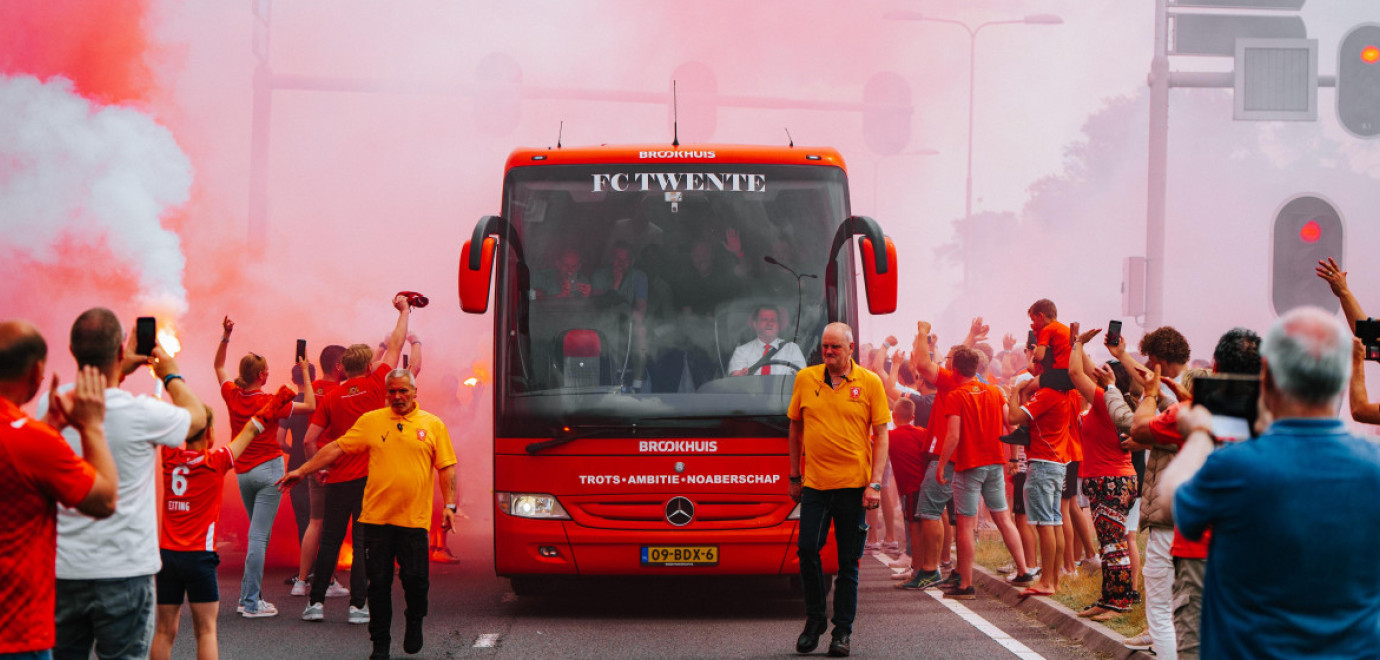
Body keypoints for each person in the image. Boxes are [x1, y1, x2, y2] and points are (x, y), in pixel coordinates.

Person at [1160, 307, 1380, 658]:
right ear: (1342, 379)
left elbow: (1173, 498)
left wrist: (1200, 434)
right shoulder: (1374, 468)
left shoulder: (1236, 468)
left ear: (1268, 377)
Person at [38, 309, 207, 659]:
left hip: (64, 569)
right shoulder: (144, 412)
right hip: (126, 570)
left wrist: (117, 372)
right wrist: (169, 372)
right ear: (119, 352)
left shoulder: (52, 403)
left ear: (72, 350)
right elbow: (197, 418)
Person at [278, 370, 458, 660]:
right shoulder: (371, 422)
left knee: (415, 582)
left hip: (413, 522)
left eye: (403, 391)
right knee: (378, 586)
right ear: (386, 394)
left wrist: (450, 505)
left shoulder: (433, 425)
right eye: (393, 392)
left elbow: (447, 467)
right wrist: (301, 469)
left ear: (415, 392)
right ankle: (380, 645)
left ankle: (414, 620)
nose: (398, 397)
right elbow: (336, 447)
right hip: (376, 521)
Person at [1129, 328, 1260, 660]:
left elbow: (1139, 429)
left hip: (1199, 545)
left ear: (1215, 364)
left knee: (1196, 642)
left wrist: (1150, 393)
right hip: (1252, 545)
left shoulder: (1191, 414)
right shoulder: (1273, 414)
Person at [0, 320, 117, 659]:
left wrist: (48, 431)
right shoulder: (32, 441)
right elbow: (104, 499)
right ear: (38, 371)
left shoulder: (34, 439)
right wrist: (91, 426)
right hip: (17, 633)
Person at [297, 297, 412, 624]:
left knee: (331, 539)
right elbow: (396, 343)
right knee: (363, 542)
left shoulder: (331, 397)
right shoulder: (379, 385)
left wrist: (317, 469)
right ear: (368, 366)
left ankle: (315, 604)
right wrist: (404, 312)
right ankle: (358, 607)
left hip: (337, 478)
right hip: (370, 479)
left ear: (344, 368)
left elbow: (309, 439)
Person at [151, 392, 291, 660]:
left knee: (164, 632)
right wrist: (274, 404)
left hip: (167, 557)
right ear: (211, 433)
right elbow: (251, 429)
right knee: (205, 631)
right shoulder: (216, 462)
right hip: (199, 560)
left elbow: (160, 423)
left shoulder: (169, 458)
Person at [787, 322, 890, 658]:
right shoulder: (806, 379)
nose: (828, 352)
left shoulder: (870, 382)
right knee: (806, 551)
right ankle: (815, 619)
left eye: (835, 347)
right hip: (815, 485)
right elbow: (795, 427)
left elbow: (882, 435)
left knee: (848, 563)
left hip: (853, 488)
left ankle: (842, 631)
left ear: (851, 348)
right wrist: (793, 475)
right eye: (824, 347)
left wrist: (875, 483)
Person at [213, 316, 315, 618]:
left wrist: (225, 337)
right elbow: (309, 404)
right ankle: (251, 602)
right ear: (260, 374)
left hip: (243, 473)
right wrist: (306, 374)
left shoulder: (232, 394)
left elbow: (218, 368)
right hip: (269, 471)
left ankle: (250, 596)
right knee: (259, 538)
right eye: (266, 370)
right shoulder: (272, 401)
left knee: (255, 536)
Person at [1115, 324, 1191, 660]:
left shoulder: (1176, 397)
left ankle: (1163, 644)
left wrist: (1145, 398)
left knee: (1161, 603)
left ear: (1159, 359)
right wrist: (1120, 355)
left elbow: (1141, 424)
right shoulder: (1202, 387)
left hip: (1169, 507)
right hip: (1197, 510)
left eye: (1150, 360)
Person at [933, 346, 1031, 599]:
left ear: (955, 368)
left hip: (968, 465)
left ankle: (966, 584)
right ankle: (1023, 571)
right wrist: (1012, 459)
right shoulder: (995, 392)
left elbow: (953, 435)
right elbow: (1011, 425)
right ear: (977, 368)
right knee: (1003, 518)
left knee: (966, 524)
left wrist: (942, 464)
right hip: (995, 464)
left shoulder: (957, 395)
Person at [1066, 324, 1138, 620]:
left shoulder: (1105, 401)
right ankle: (1108, 599)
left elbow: (1075, 375)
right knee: (1108, 543)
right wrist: (1079, 344)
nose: (1097, 373)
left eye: (1103, 372)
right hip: (1109, 479)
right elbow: (1088, 371)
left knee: (1114, 543)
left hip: (1111, 479)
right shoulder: (1111, 398)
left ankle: (1120, 604)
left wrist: (1076, 346)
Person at [1006, 360, 1077, 597]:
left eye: (1039, 365)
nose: (1035, 370)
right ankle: (1053, 580)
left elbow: (1014, 417)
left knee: (1045, 525)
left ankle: (1046, 581)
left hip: (1043, 464)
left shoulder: (1047, 394)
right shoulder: (1064, 393)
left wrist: (1015, 391)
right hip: (1057, 464)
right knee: (1055, 523)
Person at [284, 346, 348, 597]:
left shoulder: (315, 388)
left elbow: (300, 439)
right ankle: (329, 582)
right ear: (338, 365)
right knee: (331, 527)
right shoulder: (340, 392)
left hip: (312, 464)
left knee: (314, 523)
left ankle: (301, 582)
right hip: (332, 464)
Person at [886, 397, 926, 580]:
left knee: (913, 528)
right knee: (919, 527)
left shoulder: (891, 436)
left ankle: (916, 567)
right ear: (913, 416)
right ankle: (918, 565)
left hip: (909, 488)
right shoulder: (921, 433)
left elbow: (871, 442)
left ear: (893, 416)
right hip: (923, 486)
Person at [728, 304, 805, 376]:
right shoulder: (741, 352)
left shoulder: (792, 349)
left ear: (778, 325)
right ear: (755, 324)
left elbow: (803, 378)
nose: (769, 323)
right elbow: (735, 383)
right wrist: (740, 376)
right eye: (764, 319)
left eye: (773, 320)